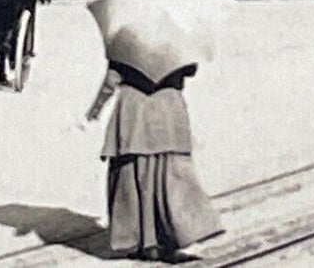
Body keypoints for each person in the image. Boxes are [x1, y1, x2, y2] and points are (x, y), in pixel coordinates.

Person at [86, 60, 224, 263]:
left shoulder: (128, 38)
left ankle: (144, 242)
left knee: (134, 178)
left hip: (133, 113)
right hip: (168, 112)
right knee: (168, 178)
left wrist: (95, 110)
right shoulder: (177, 40)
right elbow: (190, 70)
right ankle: (169, 239)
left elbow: (112, 80)